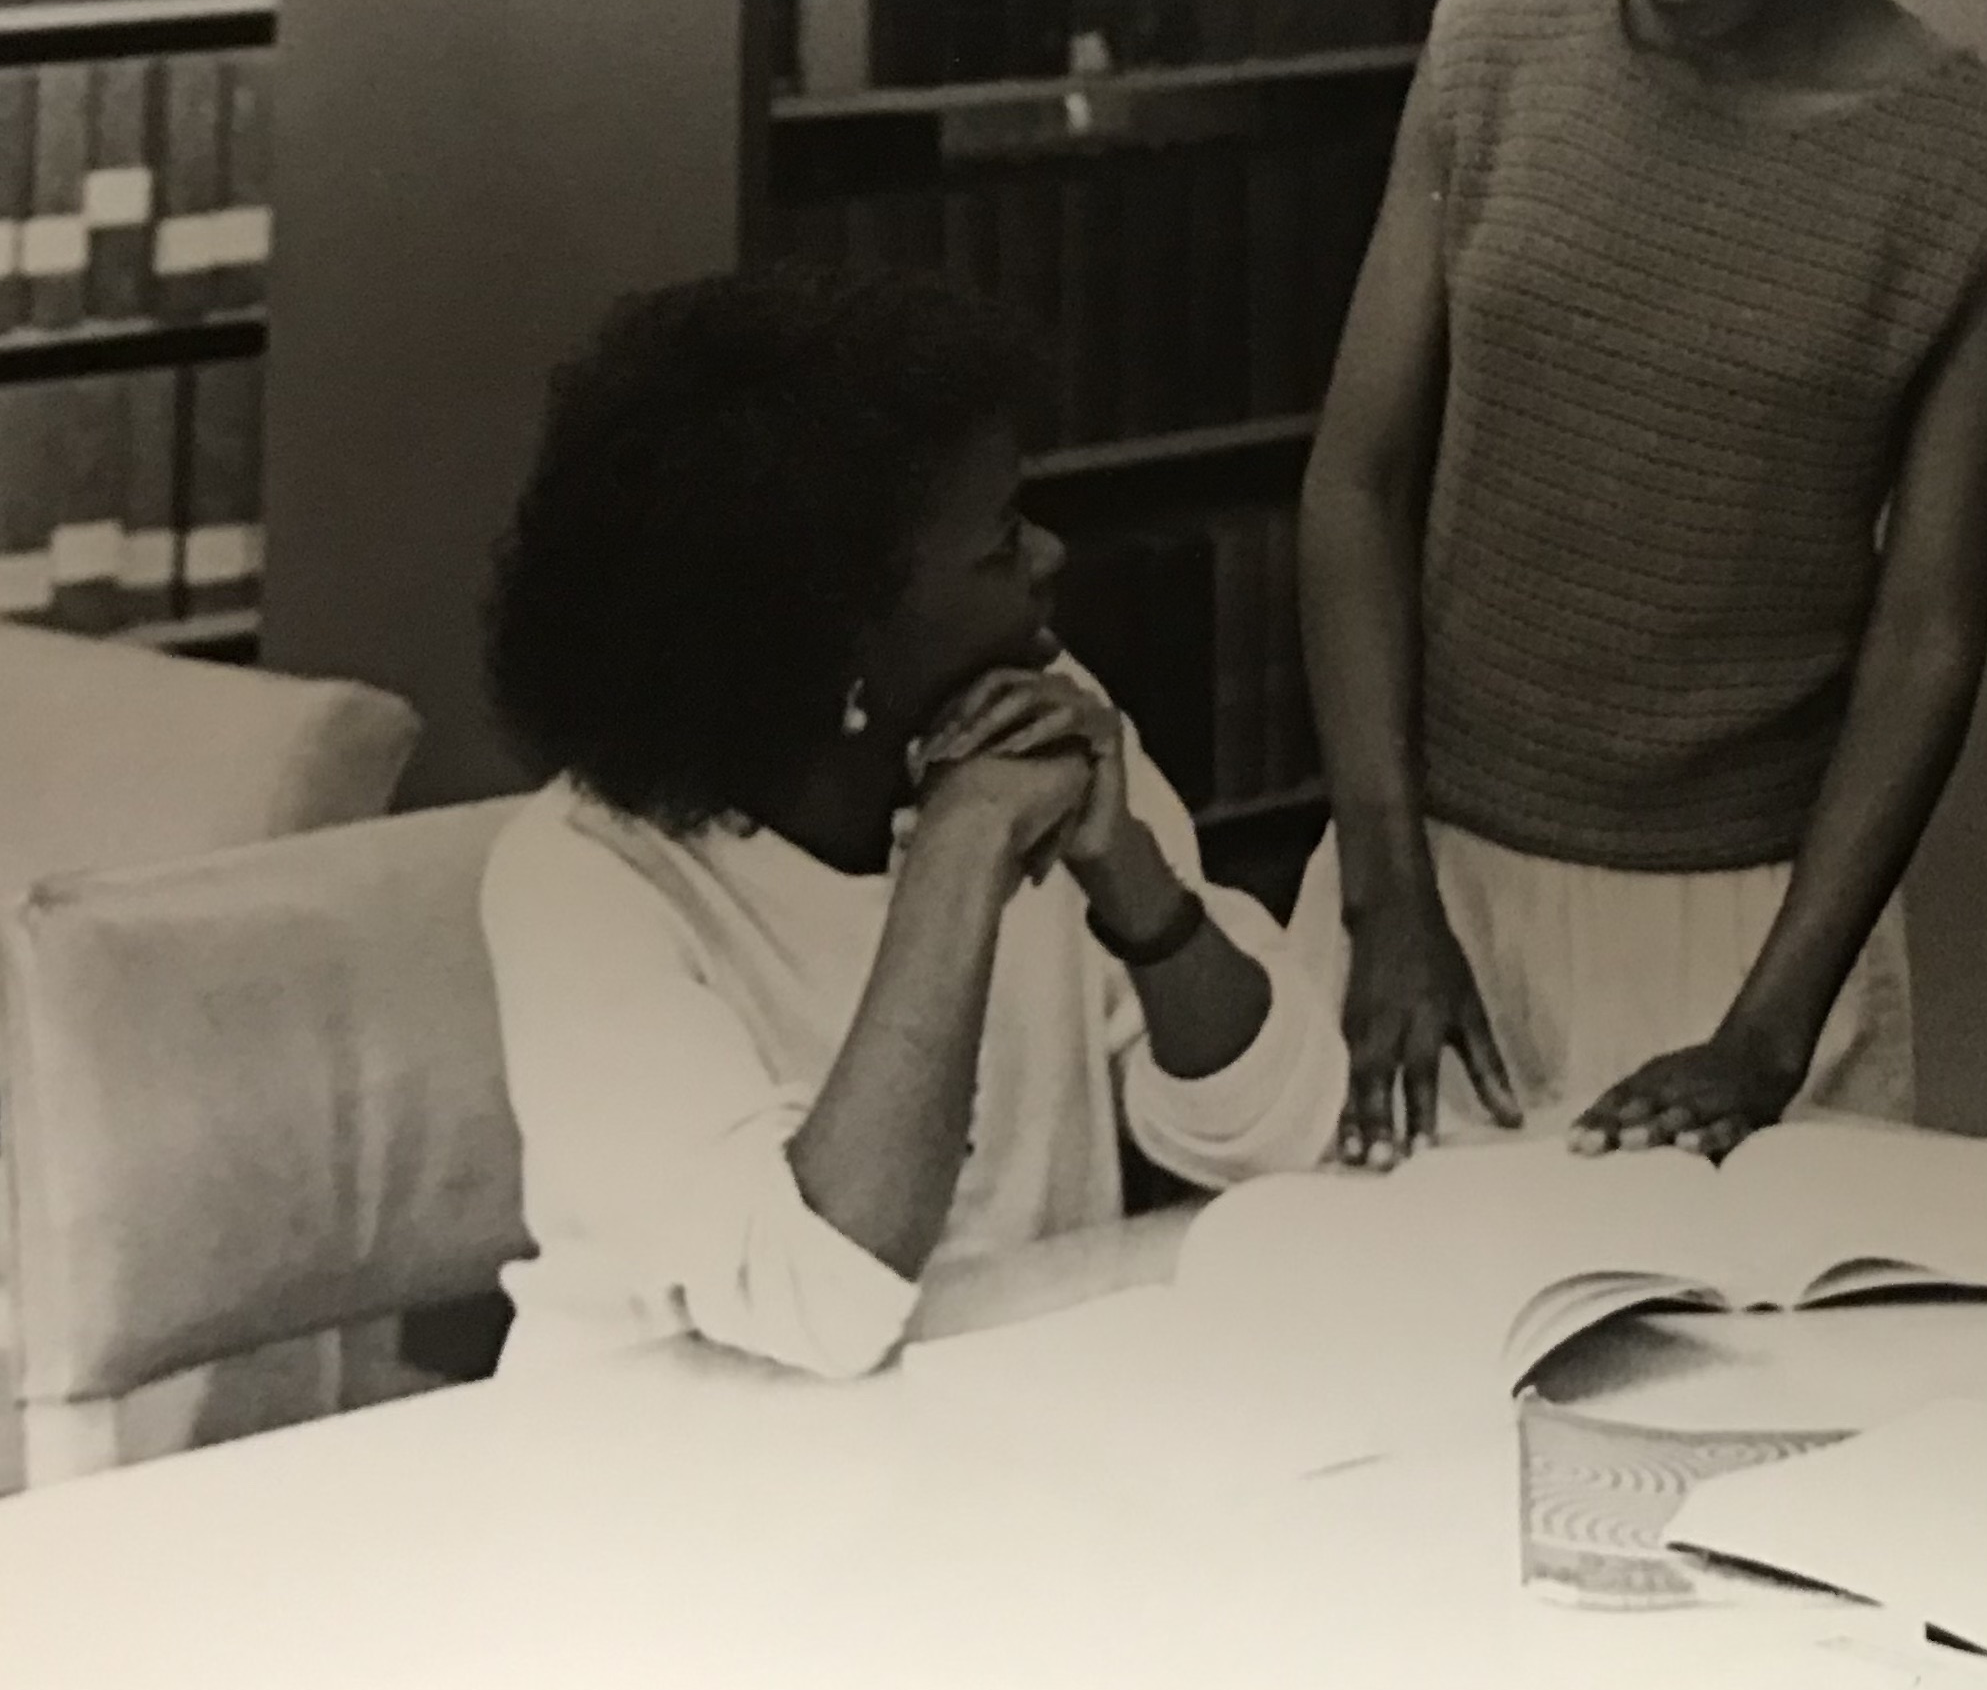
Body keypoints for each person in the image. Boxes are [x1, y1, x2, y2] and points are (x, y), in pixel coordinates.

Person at [1290, 0, 1987, 1167]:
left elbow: (1925, 632)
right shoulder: (1486, 53)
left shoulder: (1984, 177)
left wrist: (1770, 1024)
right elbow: (1356, 482)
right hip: (1426, 891)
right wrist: (1385, 897)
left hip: (1749, 938)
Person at [478, 267, 1344, 1379]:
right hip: (672, 1483)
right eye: (997, 543)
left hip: (976, 1436)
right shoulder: (578, 880)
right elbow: (820, 1294)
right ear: (833, 641)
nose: (1050, 557)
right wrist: (957, 853)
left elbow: (1288, 1131)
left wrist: (1130, 873)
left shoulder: (1024, 718)